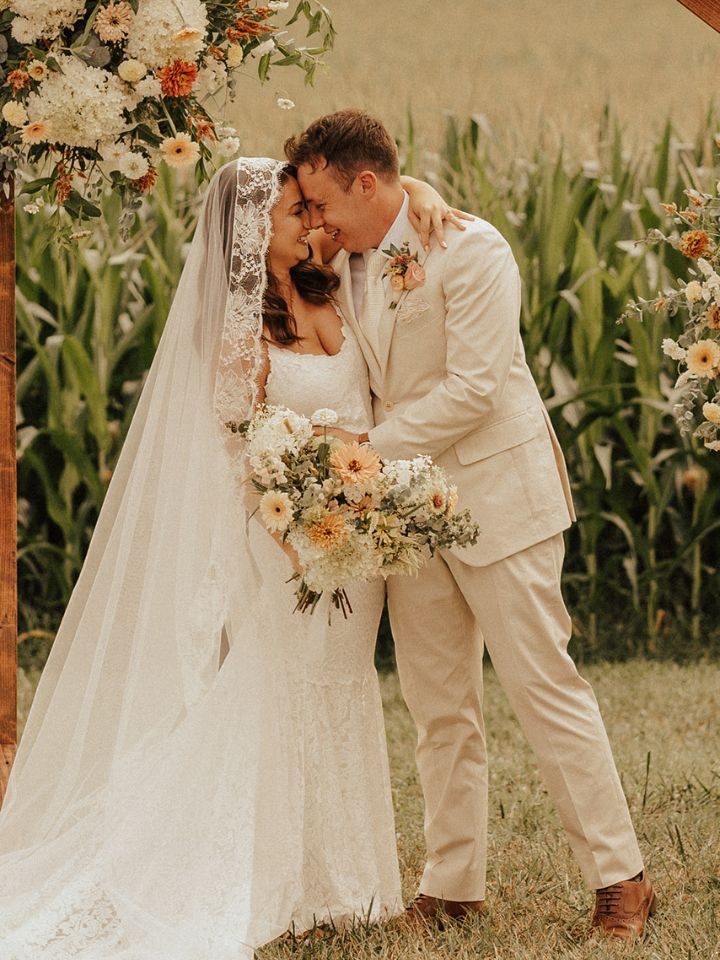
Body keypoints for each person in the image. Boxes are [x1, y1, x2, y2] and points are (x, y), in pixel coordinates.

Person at [0, 158, 463, 958]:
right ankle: (288, 881)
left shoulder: (328, 277)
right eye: (292, 213)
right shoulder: (240, 333)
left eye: (309, 208)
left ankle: (347, 882)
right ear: (251, 232)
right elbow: (236, 453)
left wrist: (421, 189)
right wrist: (299, 532)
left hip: (354, 534)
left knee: (345, 684)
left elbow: (380, 197)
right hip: (287, 540)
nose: (311, 221)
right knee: (286, 690)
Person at [285, 108, 657, 942]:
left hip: (499, 499)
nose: (317, 220)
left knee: (543, 687)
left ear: (367, 183)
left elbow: (476, 390)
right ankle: (452, 886)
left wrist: (364, 452)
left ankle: (621, 878)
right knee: (438, 704)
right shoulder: (340, 261)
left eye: (324, 202)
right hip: (409, 517)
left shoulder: (472, 249)